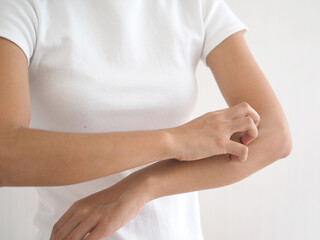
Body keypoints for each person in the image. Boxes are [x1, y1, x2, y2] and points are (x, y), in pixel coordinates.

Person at [0, 0, 292, 239]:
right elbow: (5, 153)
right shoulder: (23, 7)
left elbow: (274, 135)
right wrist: (174, 141)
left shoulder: (197, 6)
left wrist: (141, 187)